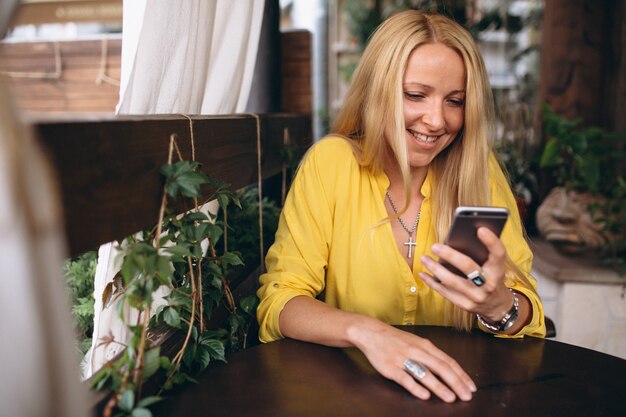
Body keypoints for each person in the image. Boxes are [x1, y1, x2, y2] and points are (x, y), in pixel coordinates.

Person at [257, 10, 546, 403]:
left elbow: (527, 312)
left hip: (458, 397)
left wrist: (501, 307)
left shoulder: (478, 172)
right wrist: (370, 333)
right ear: (378, 89)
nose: (436, 120)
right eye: (415, 95)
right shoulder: (332, 164)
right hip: (350, 398)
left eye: (455, 101)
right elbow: (281, 301)